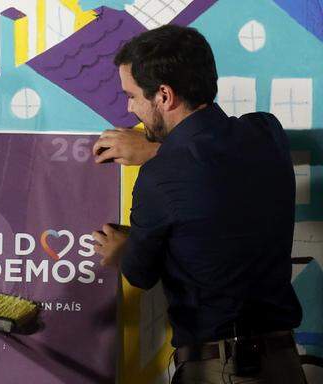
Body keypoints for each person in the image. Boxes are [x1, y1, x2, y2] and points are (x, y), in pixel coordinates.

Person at [91, 25, 306, 383]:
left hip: (220, 369)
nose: (130, 109)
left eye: (132, 96)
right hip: (285, 364)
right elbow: (212, 159)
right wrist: (158, 149)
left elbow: (140, 274)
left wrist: (120, 251)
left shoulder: (160, 177)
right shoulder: (267, 133)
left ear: (164, 95)